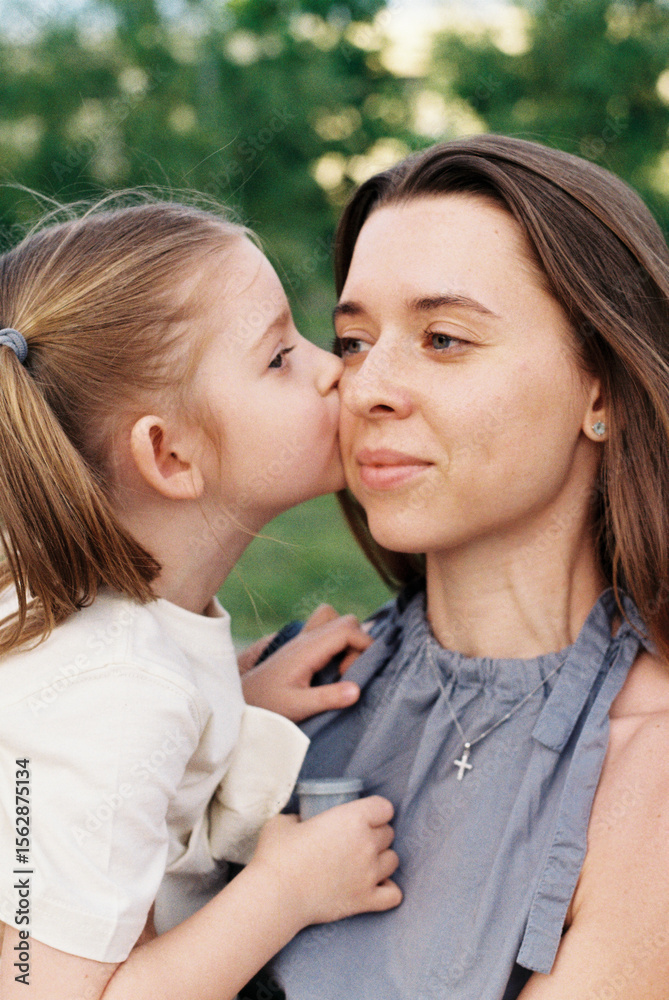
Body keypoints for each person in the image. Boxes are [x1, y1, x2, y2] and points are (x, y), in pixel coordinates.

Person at [244, 136, 669, 998]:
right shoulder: (271, 695)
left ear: (600, 389)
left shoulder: (650, 775)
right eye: (352, 341)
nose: (366, 387)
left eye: (442, 338)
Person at [0, 196, 402, 1000]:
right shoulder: (117, 695)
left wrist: (231, 711)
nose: (331, 367)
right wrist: (286, 892)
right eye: (278, 357)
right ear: (170, 455)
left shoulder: (89, 631)